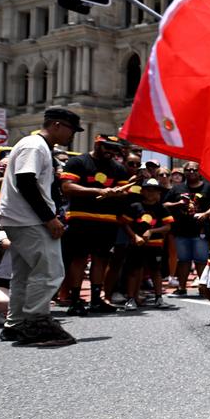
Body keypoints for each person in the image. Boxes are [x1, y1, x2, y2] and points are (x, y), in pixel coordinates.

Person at [0, 107, 82, 346]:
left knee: (24, 275)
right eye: (71, 130)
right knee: (49, 272)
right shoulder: (34, 145)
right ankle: (36, 322)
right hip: (29, 219)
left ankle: (16, 325)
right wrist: (49, 218)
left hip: (22, 218)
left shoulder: (37, 145)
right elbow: (26, 182)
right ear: (56, 125)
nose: (71, 135)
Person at [59, 135, 129, 316]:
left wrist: (118, 193)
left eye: (115, 149)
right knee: (79, 259)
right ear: (97, 144)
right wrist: (99, 191)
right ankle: (75, 300)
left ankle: (96, 300)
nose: (112, 152)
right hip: (80, 219)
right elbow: (67, 187)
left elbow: (124, 193)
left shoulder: (118, 168)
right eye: (108, 148)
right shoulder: (77, 162)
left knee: (101, 259)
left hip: (107, 221)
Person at [118, 178, 175, 311]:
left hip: (155, 245)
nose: (151, 193)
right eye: (148, 190)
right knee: (134, 271)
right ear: (142, 191)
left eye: (155, 191)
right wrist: (134, 236)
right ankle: (131, 299)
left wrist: (151, 231)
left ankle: (159, 298)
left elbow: (168, 227)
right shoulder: (135, 206)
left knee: (156, 271)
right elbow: (125, 223)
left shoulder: (161, 208)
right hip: (137, 244)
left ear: (159, 193)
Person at [167, 161, 210, 296]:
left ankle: (203, 288)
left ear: (200, 172)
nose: (191, 172)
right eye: (188, 170)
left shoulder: (209, 188)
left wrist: (206, 213)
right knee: (183, 260)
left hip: (201, 231)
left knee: (201, 260)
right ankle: (181, 288)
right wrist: (177, 204)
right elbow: (165, 204)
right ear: (184, 172)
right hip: (181, 230)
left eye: (194, 170)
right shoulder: (177, 188)